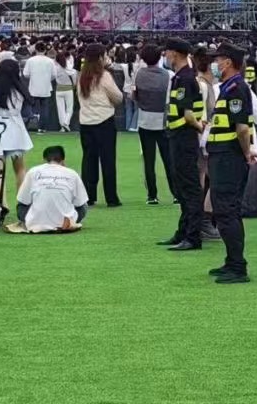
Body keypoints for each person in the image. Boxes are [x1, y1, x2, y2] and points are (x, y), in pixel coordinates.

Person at [205, 44, 257, 285]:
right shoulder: (229, 87)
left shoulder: (236, 88)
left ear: (228, 62)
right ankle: (231, 260)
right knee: (223, 209)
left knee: (227, 210)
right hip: (222, 155)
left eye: (217, 60)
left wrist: (246, 152)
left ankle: (238, 266)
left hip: (229, 157)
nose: (214, 64)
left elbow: (242, 128)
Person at [158, 39, 208, 251]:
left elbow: (188, 115)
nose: (165, 56)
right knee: (182, 187)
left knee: (189, 188)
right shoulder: (180, 77)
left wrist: (199, 128)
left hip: (184, 137)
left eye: (167, 52)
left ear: (175, 54)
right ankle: (184, 231)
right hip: (178, 136)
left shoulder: (185, 78)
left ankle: (193, 235)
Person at [76, 44, 123, 207]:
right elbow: (118, 97)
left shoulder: (81, 76)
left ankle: (89, 196)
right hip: (104, 121)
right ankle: (111, 197)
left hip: (86, 122)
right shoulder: (104, 76)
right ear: (101, 58)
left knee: (89, 159)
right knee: (108, 159)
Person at [0, 58, 33, 222]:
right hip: (15, 130)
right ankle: (23, 204)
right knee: (20, 169)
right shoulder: (20, 91)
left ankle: (1, 203)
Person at [131, 44, 173, 206]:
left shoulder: (139, 74)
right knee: (168, 159)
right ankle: (176, 193)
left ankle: (152, 195)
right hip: (163, 120)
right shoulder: (168, 75)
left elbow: (134, 95)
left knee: (149, 161)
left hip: (145, 120)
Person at [15, 146, 89, 232]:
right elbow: (80, 203)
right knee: (83, 206)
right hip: (65, 221)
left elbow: (23, 201)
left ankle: (36, 221)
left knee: (21, 205)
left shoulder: (33, 171)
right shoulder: (72, 173)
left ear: (44, 159)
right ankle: (67, 221)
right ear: (63, 160)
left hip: (35, 221)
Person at [22, 42, 58, 132]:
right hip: (45, 88)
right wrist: (47, 79)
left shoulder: (30, 60)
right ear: (45, 50)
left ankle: (31, 126)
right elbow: (54, 75)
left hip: (33, 87)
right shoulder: (50, 61)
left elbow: (25, 74)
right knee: (44, 108)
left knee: (31, 107)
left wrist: (33, 77)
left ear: (36, 50)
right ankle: (42, 127)